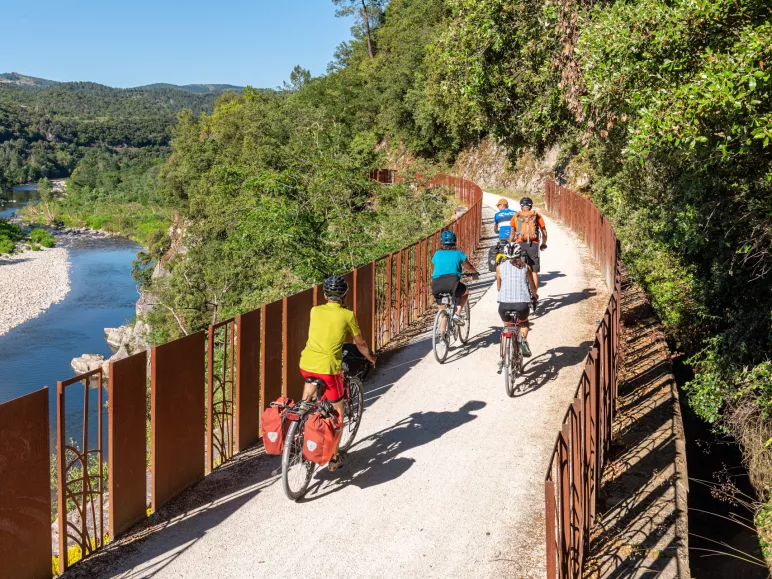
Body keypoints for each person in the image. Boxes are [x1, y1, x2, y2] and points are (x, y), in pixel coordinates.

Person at [298, 275, 376, 471]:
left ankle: (302, 425)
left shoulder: (314, 310)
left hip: (306, 363)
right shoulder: (347, 315)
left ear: (325, 294)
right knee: (338, 411)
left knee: (308, 399)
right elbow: (360, 343)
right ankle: (333, 458)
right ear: (344, 295)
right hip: (329, 369)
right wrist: (370, 358)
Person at [496, 243, 537, 358]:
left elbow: (498, 288)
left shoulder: (499, 268)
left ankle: (503, 357)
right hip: (522, 305)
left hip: (504, 305)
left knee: (507, 326)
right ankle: (523, 341)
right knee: (523, 322)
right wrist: (534, 296)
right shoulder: (526, 267)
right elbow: (533, 287)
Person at [431, 230, 479, 328]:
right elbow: (468, 266)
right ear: (455, 241)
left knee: (442, 309)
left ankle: (442, 335)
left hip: (436, 284)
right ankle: (457, 313)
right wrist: (474, 273)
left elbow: (435, 263)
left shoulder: (437, 253)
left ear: (441, 242)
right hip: (452, 284)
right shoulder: (458, 253)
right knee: (465, 292)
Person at [508, 196, 547, 302]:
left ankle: (517, 292)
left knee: (518, 268)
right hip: (533, 245)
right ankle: (534, 296)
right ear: (531, 206)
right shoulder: (536, 215)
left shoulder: (516, 216)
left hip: (519, 244)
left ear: (521, 206)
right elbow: (544, 232)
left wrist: (510, 244)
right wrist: (543, 244)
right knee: (534, 271)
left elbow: (512, 233)